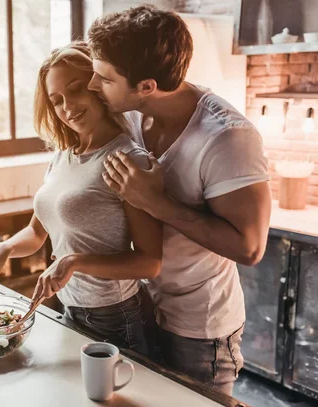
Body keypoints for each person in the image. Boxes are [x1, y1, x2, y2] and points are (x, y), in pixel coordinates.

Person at [87, 5, 272, 395]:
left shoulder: (228, 138)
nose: (92, 85)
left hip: (201, 328)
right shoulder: (133, 115)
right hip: (144, 305)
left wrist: (156, 203)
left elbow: (251, 248)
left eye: (104, 78)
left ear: (147, 86)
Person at [0, 41, 162, 356]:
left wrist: (73, 262)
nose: (68, 107)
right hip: (72, 306)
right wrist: (5, 247)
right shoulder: (62, 156)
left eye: (75, 90)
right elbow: (37, 233)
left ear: (99, 86)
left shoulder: (125, 158)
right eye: (56, 100)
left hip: (116, 316)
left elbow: (150, 262)